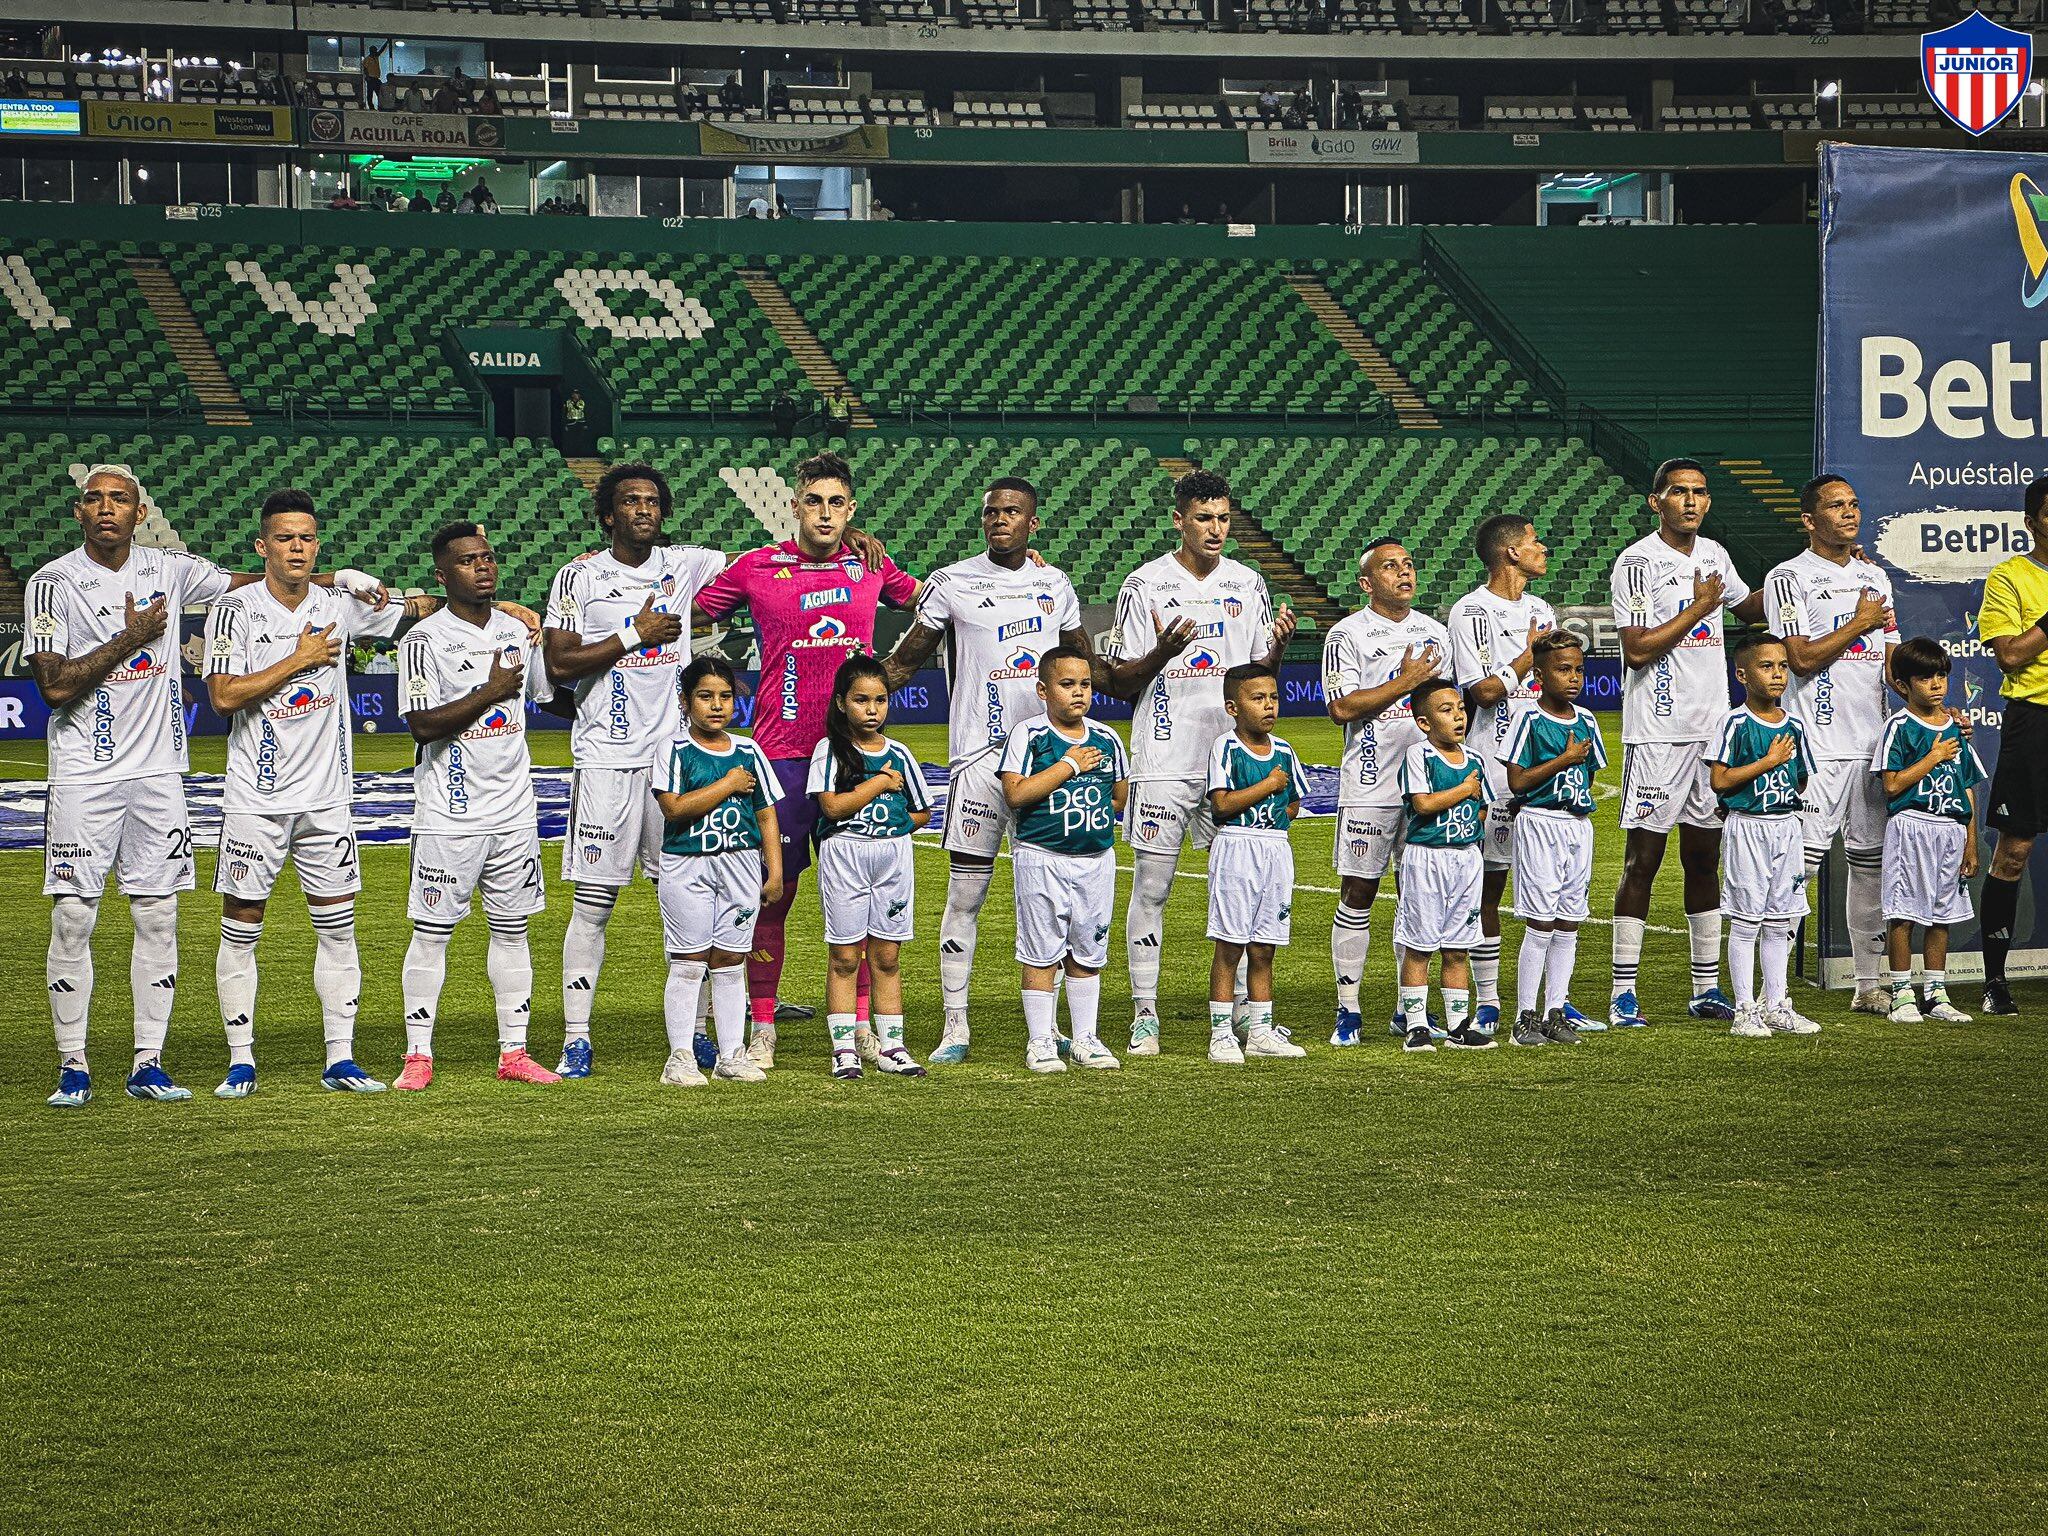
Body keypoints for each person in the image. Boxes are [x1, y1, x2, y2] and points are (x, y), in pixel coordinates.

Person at [25, 467, 374, 1108]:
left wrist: (335, 584)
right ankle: (73, 1064)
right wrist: (129, 639)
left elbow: (257, 579)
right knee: (74, 917)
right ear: (80, 512)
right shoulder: (51, 583)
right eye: (96, 499)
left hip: (160, 774)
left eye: (121, 500)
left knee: (158, 918)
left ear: (138, 512)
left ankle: (146, 1063)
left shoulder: (171, 570)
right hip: (83, 775)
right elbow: (53, 685)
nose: (108, 509)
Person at [693, 450, 917, 1067]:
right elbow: (685, 614)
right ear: (794, 505)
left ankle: (863, 1026)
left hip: (858, 757)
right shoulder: (756, 567)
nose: (825, 513)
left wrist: (1015, 569)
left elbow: (936, 607)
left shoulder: (872, 564)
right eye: (813, 501)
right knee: (775, 892)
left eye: (836, 502)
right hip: (782, 756)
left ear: (852, 508)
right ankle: (760, 1023)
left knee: (867, 897)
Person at [202, 490, 416, 1097]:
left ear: (316, 545)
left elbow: (417, 608)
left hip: (327, 800)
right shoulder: (234, 610)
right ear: (262, 546)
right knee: (242, 925)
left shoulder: (334, 606)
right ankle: (241, 1059)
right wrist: (297, 660)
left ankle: (340, 1057)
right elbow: (223, 697)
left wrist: (505, 604)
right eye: (285, 537)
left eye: (307, 537)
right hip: (256, 798)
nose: (297, 546)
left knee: (339, 928)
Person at [880, 478, 1090, 1065]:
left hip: (1049, 764)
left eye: (1012, 512)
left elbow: (1084, 666)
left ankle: (1052, 1027)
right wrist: (848, 696)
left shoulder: (1055, 584)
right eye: (992, 512)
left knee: (1053, 899)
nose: (1000, 520)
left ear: (1033, 523)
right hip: (977, 760)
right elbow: (903, 664)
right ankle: (954, 1025)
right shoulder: (951, 582)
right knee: (964, 897)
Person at [541, 464, 727, 1079]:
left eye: (651, 501)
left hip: (676, 761)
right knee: (594, 905)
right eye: (630, 501)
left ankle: (698, 1032)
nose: (643, 509)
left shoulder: (687, 565)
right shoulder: (579, 576)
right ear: (607, 514)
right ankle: (576, 1038)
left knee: (691, 897)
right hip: (605, 761)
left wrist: (853, 546)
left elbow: (770, 561)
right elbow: (561, 662)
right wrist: (633, 632)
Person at [1104, 469, 1295, 1055]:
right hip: (1165, 755)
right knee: (1153, 888)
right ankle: (1145, 1014)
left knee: (1239, 887)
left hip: (1232, 761)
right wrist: (1165, 650)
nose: (1216, 529)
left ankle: (1246, 1017)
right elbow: (1118, 680)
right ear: (1178, 521)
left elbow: (1260, 679)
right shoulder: (1145, 585)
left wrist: (1280, 647)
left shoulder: (1249, 583)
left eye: (1223, 518)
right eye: (1204, 518)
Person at [393, 522, 559, 1091]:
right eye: (467, 561)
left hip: (514, 813)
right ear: (442, 576)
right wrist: (486, 692)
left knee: (513, 932)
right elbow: (420, 725)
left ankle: (514, 1052)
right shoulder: (423, 640)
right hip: (449, 813)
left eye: (487, 558)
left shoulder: (517, 630)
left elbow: (545, 695)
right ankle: (419, 1055)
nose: (483, 567)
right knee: (432, 933)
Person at [1608, 458, 1765, 1026]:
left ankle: (1705, 987)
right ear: (1657, 502)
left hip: (1711, 728)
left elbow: (1751, 606)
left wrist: (1819, 574)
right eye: (1680, 492)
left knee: (1704, 858)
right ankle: (1623, 991)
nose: (1692, 502)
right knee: (1643, 859)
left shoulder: (1715, 555)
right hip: (1657, 731)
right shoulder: (1637, 562)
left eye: (1700, 493)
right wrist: (1700, 608)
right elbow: (1637, 648)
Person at [1764, 474, 1899, 1014]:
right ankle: (1772, 993)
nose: (1849, 513)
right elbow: (1798, 659)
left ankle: (1870, 986)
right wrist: (1859, 621)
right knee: (1798, 866)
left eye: (1855, 503)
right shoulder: (1788, 578)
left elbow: (1889, 661)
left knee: (1869, 865)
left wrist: (1927, 706)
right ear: (1809, 519)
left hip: (1873, 744)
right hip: (1816, 745)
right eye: (1835, 506)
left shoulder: (1875, 576)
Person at [1322, 536, 1448, 1045]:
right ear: (1366, 582)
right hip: (1370, 783)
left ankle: (1408, 1008)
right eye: (1390, 567)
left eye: (1409, 564)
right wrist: (1405, 681)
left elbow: (1448, 702)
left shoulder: (1435, 632)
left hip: (1426, 784)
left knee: (1418, 894)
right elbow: (1342, 709)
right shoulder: (1346, 634)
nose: (1404, 573)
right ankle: (1348, 1008)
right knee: (1359, 892)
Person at [1448, 513, 1558, 1036]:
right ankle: (1488, 999)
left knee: (1550, 889)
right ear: (1511, 552)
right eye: (1534, 541)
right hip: (1492, 767)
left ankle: (1550, 1002)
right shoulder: (1471, 611)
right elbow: (1484, 692)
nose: (1543, 548)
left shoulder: (1540, 608)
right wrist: (1529, 655)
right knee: (1490, 887)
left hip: (1542, 768)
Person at [998, 648, 1131, 1074]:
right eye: (1066, 684)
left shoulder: (1107, 737)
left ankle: (1085, 1038)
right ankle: (1041, 1041)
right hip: (1042, 857)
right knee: (1040, 953)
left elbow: (1119, 794)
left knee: (1088, 951)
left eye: (1085, 684)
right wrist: (1069, 766)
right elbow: (1016, 794)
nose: (1078, 693)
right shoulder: (1030, 735)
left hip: (1095, 858)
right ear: (1042, 689)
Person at [652, 656, 782, 1088]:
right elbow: (673, 808)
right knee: (689, 961)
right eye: (705, 696)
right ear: (686, 702)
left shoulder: (748, 750)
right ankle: (681, 1057)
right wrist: (727, 785)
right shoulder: (673, 749)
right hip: (688, 864)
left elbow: (765, 813)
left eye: (725, 696)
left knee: (730, 959)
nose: (716, 705)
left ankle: (731, 1053)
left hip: (741, 865)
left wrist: (775, 870)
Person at [809, 656, 932, 1079]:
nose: (872, 709)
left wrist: (893, 826)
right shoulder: (831, 750)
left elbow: (920, 812)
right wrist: (879, 783)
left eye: (880, 700)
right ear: (842, 703)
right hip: (845, 856)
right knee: (844, 956)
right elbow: (831, 805)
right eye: (861, 700)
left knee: (887, 955)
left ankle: (892, 1046)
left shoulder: (900, 753)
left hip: (892, 858)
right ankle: (843, 1047)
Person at [1707, 634, 1819, 1039]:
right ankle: (1744, 1011)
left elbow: (1800, 779)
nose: (1777, 674)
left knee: (1780, 919)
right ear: (1742, 675)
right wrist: (1768, 762)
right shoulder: (1734, 723)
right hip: (1748, 828)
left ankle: (1776, 1005)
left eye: (1783, 666)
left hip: (1786, 827)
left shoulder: (1795, 725)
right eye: (1766, 666)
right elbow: (1719, 779)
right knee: (1746, 920)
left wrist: (1780, 775)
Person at [1503, 631, 1606, 1047]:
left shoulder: (1587, 720)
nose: (1574, 677)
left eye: (1579, 669)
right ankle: (1524, 1017)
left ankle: (1555, 1011)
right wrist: (1563, 759)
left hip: (1577, 825)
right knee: (1541, 920)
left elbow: (1591, 773)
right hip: (1541, 822)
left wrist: (1573, 773)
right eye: (1563, 669)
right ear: (1540, 675)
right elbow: (1517, 780)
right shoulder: (1528, 719)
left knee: (1569, 920)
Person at [1969, 474, 2048, 1016]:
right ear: (2032, 521)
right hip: (2035, 721)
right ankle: (1995, 980)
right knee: (2014, 851)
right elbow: (2012, 655)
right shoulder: (2010, 577)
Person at [1204, 665, 1311, 1064]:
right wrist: (1267, 787)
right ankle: (1221, 1033)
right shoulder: (1226, 748)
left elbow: (1295, 804)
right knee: (1230, 943)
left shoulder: (1284, 750)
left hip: (1276, 848)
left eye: (1273, 698)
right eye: (1257, 698)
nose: (1268, 706)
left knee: (1265, 946)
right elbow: (1221, 806)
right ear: (1233, 706)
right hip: (1237, 848)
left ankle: (1261, 1031)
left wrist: (1276, 807)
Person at [1874, 638, 1984, 1024]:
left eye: (1941, 675)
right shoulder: (1899, 727)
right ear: (1903, 685)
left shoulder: (1956, 726)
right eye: (1925, 678)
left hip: (1951, 831)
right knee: (1903, 913)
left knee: (1942, 915)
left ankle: (1936, 993)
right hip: (1912, 827)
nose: (1936, 684)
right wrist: (1934, 756)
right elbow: (1891, 784)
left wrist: (1971, 841)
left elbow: (1966, 785)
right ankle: (1902, 993)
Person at [1394, 678, 1494, 1053]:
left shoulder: (1476, 760)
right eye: (1446, 710)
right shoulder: (1419, 756)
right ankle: (1417, 1026)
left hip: (1466, 859)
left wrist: (1470, 823)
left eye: (1461, 709)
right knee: (1420, 946)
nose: (1458, 717)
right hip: (1427, 857)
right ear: (1423, 723)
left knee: (1458, 946)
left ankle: (1458, 1025)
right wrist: (1462, 791)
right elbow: (1421, 804)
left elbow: (1483, 807)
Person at [360, 41, 385, 111]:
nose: (376, 52)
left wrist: (386, 42)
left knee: (379, 93)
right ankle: (371, 107)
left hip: (376, 78)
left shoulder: (375, 57)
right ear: (371, 51)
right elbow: (365, 69)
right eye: (374, 51)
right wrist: (367, 77)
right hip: (371, 78)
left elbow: (381, 50)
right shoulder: (367, 59)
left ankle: (380, 106)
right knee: (370, 94)